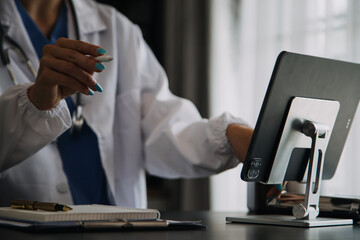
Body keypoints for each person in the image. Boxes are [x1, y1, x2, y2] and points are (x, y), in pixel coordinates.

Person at [0, 0, 253, 208]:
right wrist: (33, 104)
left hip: (118, 229)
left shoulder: (117, 29)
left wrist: (232, 136)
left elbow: (166, 130)